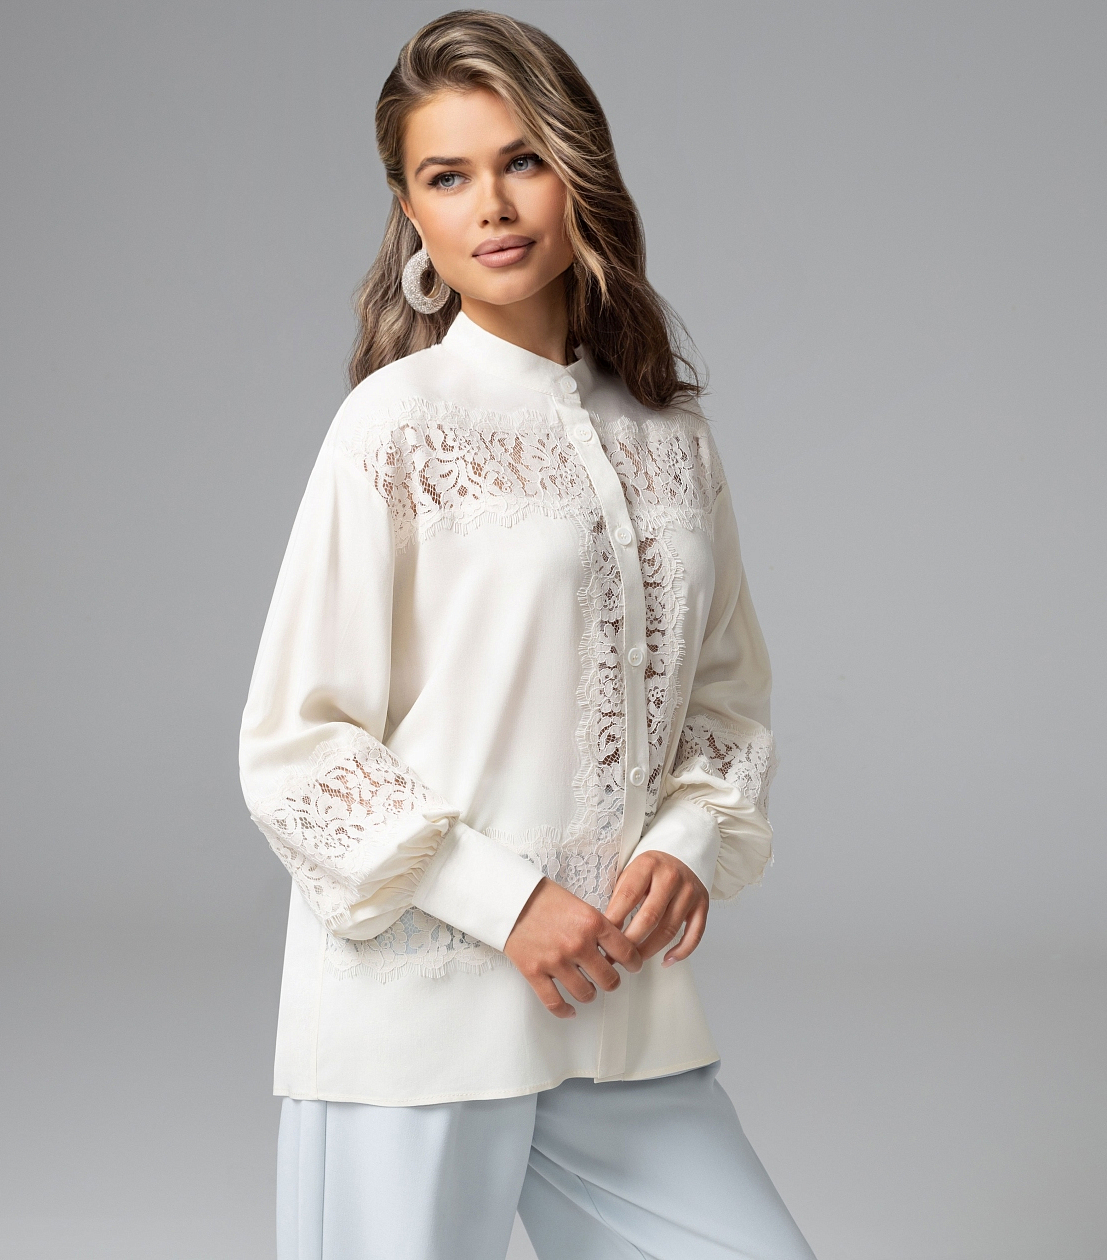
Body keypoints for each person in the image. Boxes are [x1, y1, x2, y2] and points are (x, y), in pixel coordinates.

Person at [239, 10, 816, 1258]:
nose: (492, 206)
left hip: (618, 1014)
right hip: (417, 1025)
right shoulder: (393, 427)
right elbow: (296, 749)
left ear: (577, 172)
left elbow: (725, 702)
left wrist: (688, 840)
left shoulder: (671, 437)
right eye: (447, 177)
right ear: (411, 211)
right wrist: (505, 903)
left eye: (522, 161)